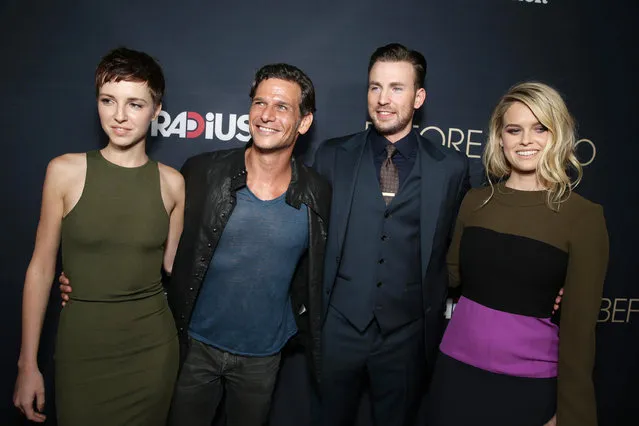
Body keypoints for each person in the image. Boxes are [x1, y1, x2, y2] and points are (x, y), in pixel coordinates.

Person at [13, 47, 184, 425]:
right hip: (82, 350)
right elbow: (41, 269)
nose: (119, 116)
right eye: (108, 101)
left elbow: (177, 266)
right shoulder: (64, 171)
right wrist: (28, 364)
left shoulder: (173, 183)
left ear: (157, 110)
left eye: (135, 104)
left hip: (152, 351)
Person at [427, 82, 609, 426]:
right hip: (454, 374)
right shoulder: (474, 202)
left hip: (527, 388)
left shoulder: (583, 217)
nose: (526, 140)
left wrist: (571, 416)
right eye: (515, 129)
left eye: (540, 128)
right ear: (500, 138)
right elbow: (446, 276)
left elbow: (580, 335)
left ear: (559, 135)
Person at [312, 43, 469, 426]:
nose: (383, 99)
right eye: (374, 87)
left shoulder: (450, 167)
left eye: (396, 88)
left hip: (407, 336)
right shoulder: (332, 155)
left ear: (419, 97)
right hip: (339, 328)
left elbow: (461, 246)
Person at [164, 63, 330, 426]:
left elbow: (319, 275)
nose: (266, 115)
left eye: (282, 106)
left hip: (263, 358)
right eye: (259, 103)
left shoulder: (319, 193)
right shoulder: (202, 172)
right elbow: (159, 244)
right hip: (194, 348)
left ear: (304, 122)